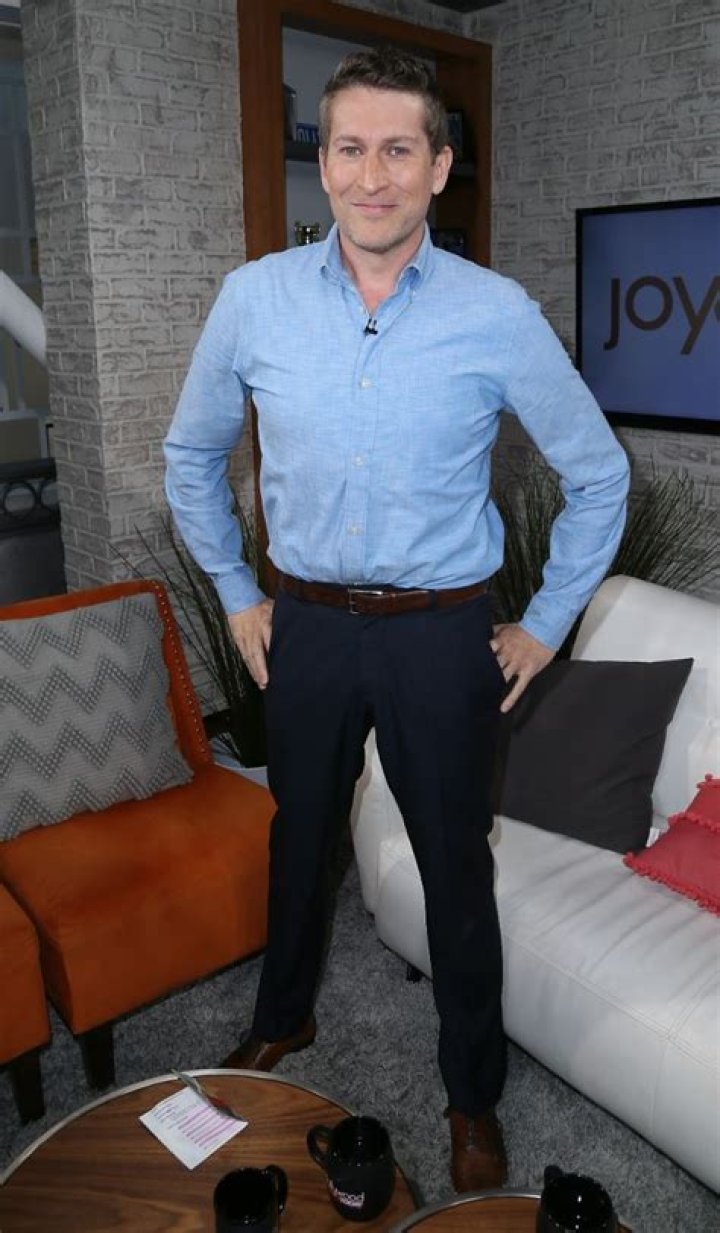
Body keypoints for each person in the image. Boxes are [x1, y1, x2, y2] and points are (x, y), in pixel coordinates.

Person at [163, 46, 629, 1192]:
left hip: (440, 634)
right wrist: (237, 594)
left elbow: (600, 475)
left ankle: (471, 1092)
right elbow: (190, 457)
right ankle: (285, 1017)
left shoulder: (498, 315)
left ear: (439, 167)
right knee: (298, 840)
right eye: (350, 148)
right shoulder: (254, 299)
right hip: (308, 627)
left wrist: (546, 622)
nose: (372, 176)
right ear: (324, 162)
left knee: (454, 868)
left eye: (398, 150)